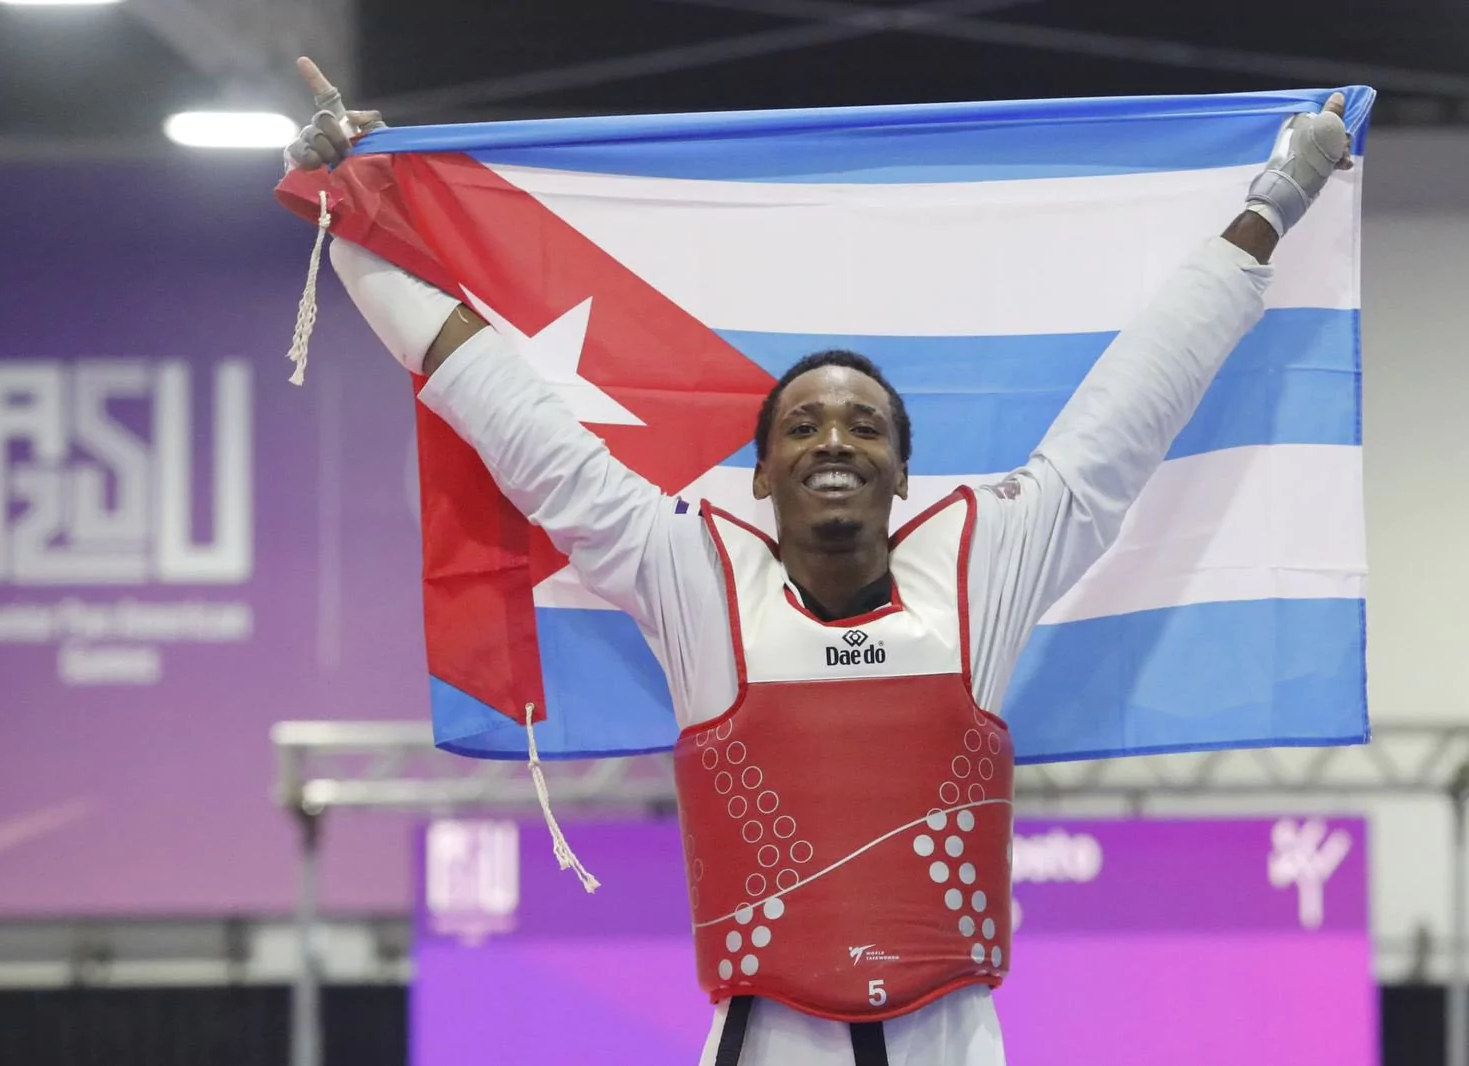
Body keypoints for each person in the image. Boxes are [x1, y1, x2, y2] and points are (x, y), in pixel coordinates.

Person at [285, 58, 1354, 1066]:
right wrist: (350, 218)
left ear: (903, 471)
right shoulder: (693, 576)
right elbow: (509, 414)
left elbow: (1131, 409)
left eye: (863, 425)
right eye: (801, 426)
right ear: (758, 475)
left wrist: (1274, 201)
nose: (833, 440)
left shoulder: (979, 566)